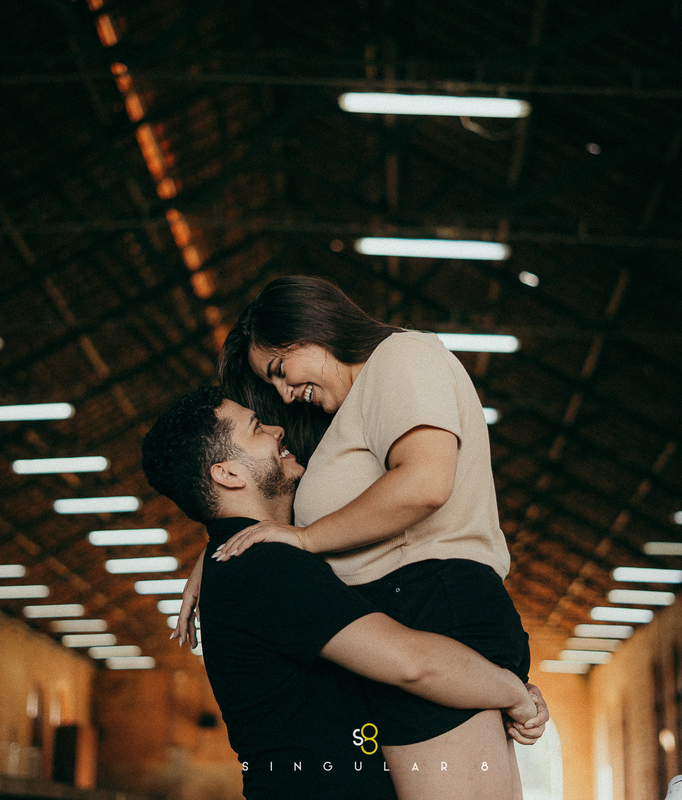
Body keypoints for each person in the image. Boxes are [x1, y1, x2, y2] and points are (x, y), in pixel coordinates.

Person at [193, 275, 534, 799]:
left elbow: (424, 484)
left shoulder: (402, 357)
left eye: (281, 370)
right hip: (410, 610)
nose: (284, 394)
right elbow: (296, 504)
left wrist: (304, 541)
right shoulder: (353, 414)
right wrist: (220, 550)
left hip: (430, 603)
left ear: (313, 329)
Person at [142, 386, 548, 800]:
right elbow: (411, 663)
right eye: (257, 428)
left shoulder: (248, 560)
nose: (277, 430)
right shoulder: (264, 567)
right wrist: (512, 692)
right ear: (228, 474)